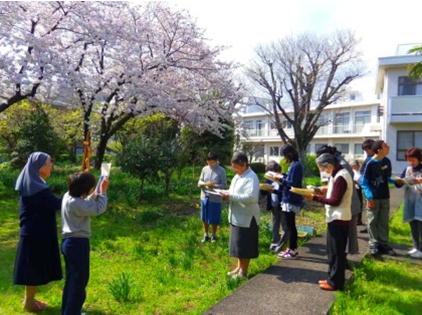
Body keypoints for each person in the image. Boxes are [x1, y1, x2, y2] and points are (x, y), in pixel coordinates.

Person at [13, 152, 62, 312]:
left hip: (33, 233)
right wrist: (78, 194)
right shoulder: (38, 190)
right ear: (40, 167)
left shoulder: (34, 184)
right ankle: (29, 303)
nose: (51, 165)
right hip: (36, 235)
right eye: (49, 162)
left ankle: (29, 300)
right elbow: (58, 204)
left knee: (32, 270)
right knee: (32, 271)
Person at [61, 172, 109, 315]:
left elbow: (87, 202)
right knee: (79, 282)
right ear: (84, 189)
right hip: (77, 244)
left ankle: (68, 311)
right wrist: (103, 192)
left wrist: (95, 192)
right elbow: (98, 209)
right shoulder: (77, 203)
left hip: (68, 243)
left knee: (72, 280)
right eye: (91, 187)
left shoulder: (67, 196)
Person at [305, 153, 353, 291]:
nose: (323, 172)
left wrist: (314, 198)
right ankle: (331, 279)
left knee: (337, 252)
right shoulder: (337, 174)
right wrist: (320, 193)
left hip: (339, 218)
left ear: (330, 166)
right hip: (336, 218)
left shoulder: (341, 176)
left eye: (323, 168)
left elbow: (335, 201)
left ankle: (335, 283)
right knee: (332, 251)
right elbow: (333, 195)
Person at [316, 145, 361, 255]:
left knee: (345, 237)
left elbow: (342, 185)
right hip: (343, 205)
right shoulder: (336, 164)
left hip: (347, 205)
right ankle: (341, 259)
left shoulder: (342, 166)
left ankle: (342, 260)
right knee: (341, 238)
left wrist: (315, 197)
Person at [222, 152, 260, 279]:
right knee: (238, 245)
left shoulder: (251, 177)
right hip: (237, 216)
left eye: (236, 167)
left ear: (244, 165)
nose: (234, 169)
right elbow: (234, 192)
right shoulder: (238, 176)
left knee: (245, 246)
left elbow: (252, 198)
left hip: (247, 217)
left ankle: (244, 271)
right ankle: (239, 267)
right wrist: (224, 193)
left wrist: (230, 196)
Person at [361, 140, 399, 256]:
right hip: (373, 197)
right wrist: (369, 197)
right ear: (379, 149)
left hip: (385, 196)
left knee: (383, 221)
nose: (388, 147)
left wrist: (396, 181)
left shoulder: (387, 161)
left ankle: (384, 244)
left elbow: (386, 178)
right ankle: (373, 244)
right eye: (386, 146)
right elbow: (364, 182)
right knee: (372, 221)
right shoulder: (370, 163)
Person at [395, 148, 422, 258]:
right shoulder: (408, 169)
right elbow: (400, 182)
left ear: (419, 159)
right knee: (413, 225)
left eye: (413, 160)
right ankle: (416, 247)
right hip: (411, 200)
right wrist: (399, 182)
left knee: (421, 226)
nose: (411, 162)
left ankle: (421, 249)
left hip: (420, 200)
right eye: (409, 160)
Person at [278, 145, 304, 259]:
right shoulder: (294, 165)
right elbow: (290, 179)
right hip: (288, 198)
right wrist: (283, 176)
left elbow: (292, 183)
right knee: (290, 225)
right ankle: (291, 248)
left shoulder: (296, 165)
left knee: (291, 226)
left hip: (291, 198)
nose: (284, 158)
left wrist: (280, 180)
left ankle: (292, 250)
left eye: (284, 155)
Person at [197, 152, 227, 242]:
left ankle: (214, 234)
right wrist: (204, 184)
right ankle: (206, 234)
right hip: (204, 196)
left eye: (212, 162)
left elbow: (224, 185)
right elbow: (199, 182)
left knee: (214, 217)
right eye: (209, 162)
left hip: (215, 197)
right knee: (204, 216)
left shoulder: (221, 170)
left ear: (216, 161)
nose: (210, 164)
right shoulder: (204, 169)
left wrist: (214, 186)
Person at [263, 161, 287, 252]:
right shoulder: (269, 179)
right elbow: (264, 192)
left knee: (284, 225)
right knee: (275, 224)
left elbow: (285, 192)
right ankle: (275, 241)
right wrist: (264, 188)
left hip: (283, 205)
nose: (269, 176)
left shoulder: (284, 178)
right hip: (273, 205)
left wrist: (274, 191)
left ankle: (282, 244)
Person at [359, 139, 375, 233]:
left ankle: (371, 228)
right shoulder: (368, 157)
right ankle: (369, 226)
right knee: (368, 208)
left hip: (370, 187)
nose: (366, 152)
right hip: (365, 186)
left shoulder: (374, 159)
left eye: (367, 150)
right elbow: (362, 171)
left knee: (371, 208)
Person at [351, 160, 364, 226]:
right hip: (354, 189)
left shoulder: (361, 171)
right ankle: (354, 220)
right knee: (354, 204)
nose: (354, 167)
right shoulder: (352, 172)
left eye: (355, 165)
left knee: (360, 204)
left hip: (360, 189)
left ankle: (359, 220)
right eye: (353, 166)